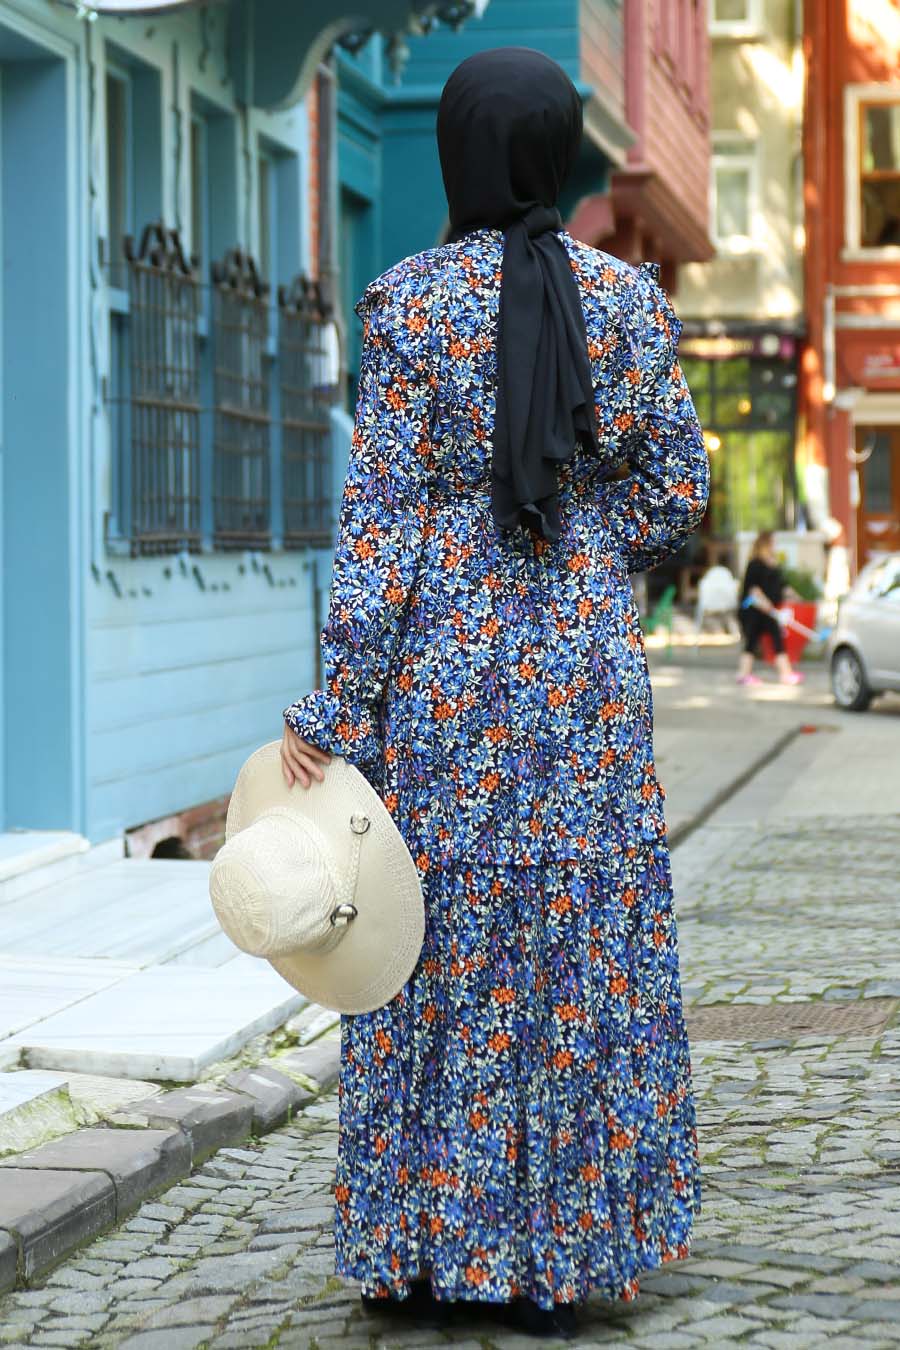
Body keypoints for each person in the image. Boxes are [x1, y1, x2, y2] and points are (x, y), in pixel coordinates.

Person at [278, 47, 709, 1339]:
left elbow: (386, 526)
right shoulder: (629, 304)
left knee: (428, 943)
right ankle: (571, 1256)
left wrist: (336, 709)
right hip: (579, 671)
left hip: (444, 683)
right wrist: (580, 544)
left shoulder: (408, 304)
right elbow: (677, 492)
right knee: (579, 939)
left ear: (462, 152)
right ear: (562, 150)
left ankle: (420, 1246)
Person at [737, 530, 804, 685]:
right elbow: (754, 589)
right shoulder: (755, 564)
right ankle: (785, 673)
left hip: (768, 610)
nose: (776, 545)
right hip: (755, 610)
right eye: (773, 542)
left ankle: (744, 673)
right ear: (765, 544)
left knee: (758, 641)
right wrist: (766, 604)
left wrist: (797, 597)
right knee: (762, 639)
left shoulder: (773, 564)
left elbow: (782, 586)